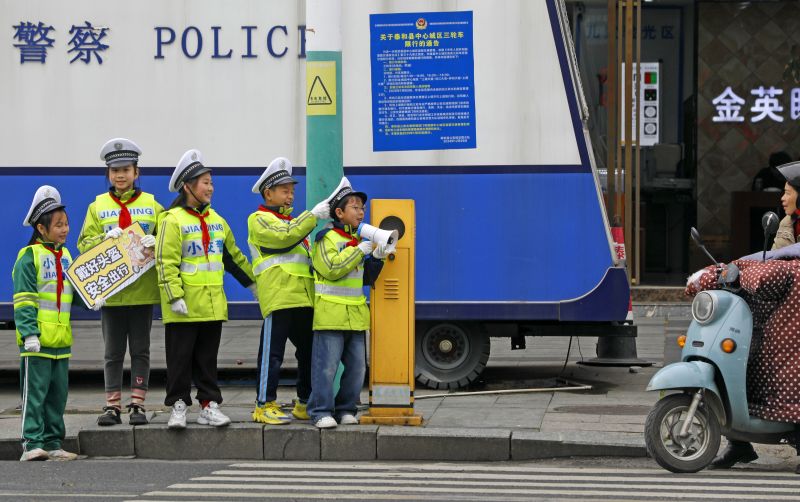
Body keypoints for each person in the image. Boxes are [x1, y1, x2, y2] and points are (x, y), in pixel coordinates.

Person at [156, 149, 256, 429]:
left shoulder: (217, 220)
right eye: (205, 182)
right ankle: (178, 405)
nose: (211, 188)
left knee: (206, 360)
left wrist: (253, 283)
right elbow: (164, 262)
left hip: (212, 304)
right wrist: (174, 296)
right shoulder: (171, 220)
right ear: (188, 186)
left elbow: (233, 257)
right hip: (184, 306)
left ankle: (208, 405)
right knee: (179, 360)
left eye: (211, 182)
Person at [712, 160, 800, 473]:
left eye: (789, 192)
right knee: (744, 366)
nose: (783, 198)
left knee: (789, 377)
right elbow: (773, 257)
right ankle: (738, 442)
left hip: (793, 320)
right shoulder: (789, 222)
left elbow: (784, 258)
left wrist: (749, 264)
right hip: (773, 312)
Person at [77, 138, 163, 427]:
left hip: (142, 292)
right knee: (112, 353)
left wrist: (157, 241)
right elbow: (83, 244)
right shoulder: (97, 206)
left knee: (141, 350)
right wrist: (104, 239)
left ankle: (137, 404)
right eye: (114, 170)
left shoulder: (152, 204)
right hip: (111, 294)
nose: (120, 175)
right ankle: (111, 406)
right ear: (108, 174)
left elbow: (168, 239)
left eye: (126, 169)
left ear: (137, 172)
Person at [248, 157, 334, 425]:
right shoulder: (259, 219)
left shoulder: (295, 223)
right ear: (268, 193)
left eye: (292, 190)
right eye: (284, 190)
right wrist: (312, 217)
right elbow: (283, 238)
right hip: (278, 297)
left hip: (302, 298)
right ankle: (264, 405)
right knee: (272, 354)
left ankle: (304, 401)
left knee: (309, 352)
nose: (290, 195)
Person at [13, 186, 96, 461]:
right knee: (34, 396)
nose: (65, 230)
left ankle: (52, 443)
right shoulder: (29, 257)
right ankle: (31, 444)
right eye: (58, 225)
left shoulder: (66, 257)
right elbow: (24, 300)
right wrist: (29, 334)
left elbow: (75, 294)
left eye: (66, 224)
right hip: (37, 343)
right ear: (41, 227)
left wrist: (94, 299)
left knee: (57, 397)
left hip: (61, 341)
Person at [307, 178, 388, 429]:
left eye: (362, 207)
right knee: (326, 369)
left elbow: (363, 278)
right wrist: (360, 251)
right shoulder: (324, 238)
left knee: (356, 370)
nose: (360, 211)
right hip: (330, 314)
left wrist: (376, 257)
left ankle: (346, 409)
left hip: (354, 314)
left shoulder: (359, 242)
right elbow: (332, 269)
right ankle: (320, 411)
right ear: (339, 213)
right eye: (354, 206)